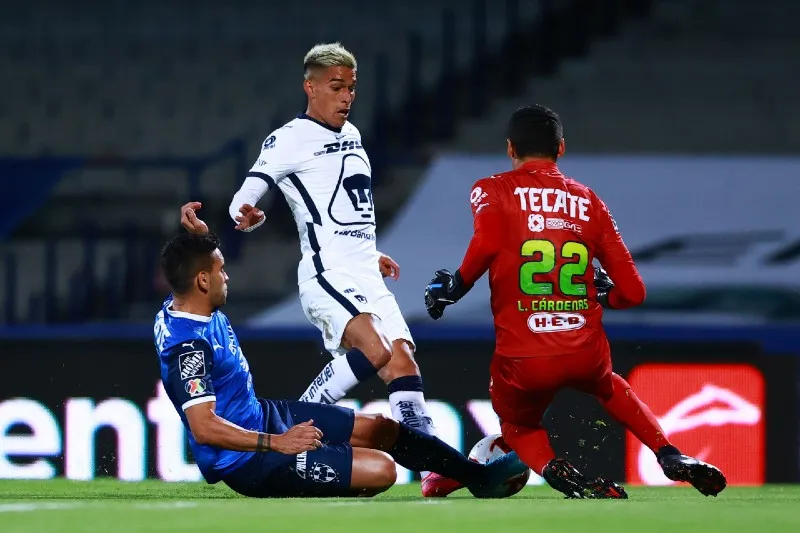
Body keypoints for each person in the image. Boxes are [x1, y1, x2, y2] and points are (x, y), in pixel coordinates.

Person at [421, 104, 727, 499]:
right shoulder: (589, 201)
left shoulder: (491, 188)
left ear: (510, 148)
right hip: (584, 347)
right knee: (610, 387)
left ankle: (558, 471)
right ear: (561, 148)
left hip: (524, 354)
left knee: (518, 427)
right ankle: (668, 452)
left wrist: (456, 286)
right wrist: (605, 296)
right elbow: (634, 292)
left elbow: (489, 242)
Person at [153, 228, 528, 497]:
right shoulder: (189, 347)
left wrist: (198, 236)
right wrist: (278, 443)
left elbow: (187, 270)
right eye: (220, 271)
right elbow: (203, 427)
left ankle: (478, 478)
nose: (227, 277)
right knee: (382, 470)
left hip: (264, 414)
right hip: (249, 461)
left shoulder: (184, 303)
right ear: (202, 281)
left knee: (382, 428)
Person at [219, 41, 440, 491]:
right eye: (337, 87)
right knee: (376, 349)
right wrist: (244, 210)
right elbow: (249, 188)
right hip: (328, 272)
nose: (346, 97)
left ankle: (434, 467)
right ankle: (298, 421)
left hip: (363, 268)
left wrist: (369, 250)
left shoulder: (352, 135)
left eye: (352, 89)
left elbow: (347, 207)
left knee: (403, 364)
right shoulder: (289, 138)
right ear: (310, 87)